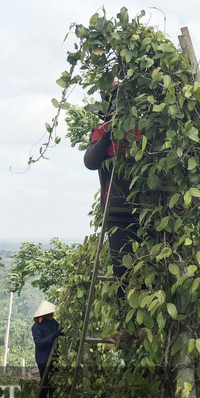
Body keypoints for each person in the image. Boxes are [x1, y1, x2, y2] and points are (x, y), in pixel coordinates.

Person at [83, 84, 142, 345]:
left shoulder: (141, 128)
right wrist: (110, 132)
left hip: (145, 212)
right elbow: (90, 161)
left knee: (147, 269)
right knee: (121, 271)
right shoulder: (101, 132)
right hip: (116, 211)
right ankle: (128, 326)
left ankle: (146, 323)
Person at [31, 300, 62, 398]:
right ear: (44, 314)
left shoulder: (53, 323)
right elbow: (39, 343)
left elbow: (60, 330)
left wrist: (62, 331)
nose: (52, 315)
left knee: (54, 382)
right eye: (50, 313)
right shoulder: (36, 327)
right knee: (45, 382)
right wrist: (52, 336)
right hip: (43, 359)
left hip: (54, 357)